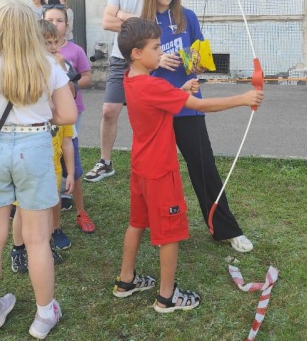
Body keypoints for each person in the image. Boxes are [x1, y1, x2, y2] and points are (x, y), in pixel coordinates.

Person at [113, 18, 263, 312]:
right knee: (169, 234)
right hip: (160, 172)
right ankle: (167, 297)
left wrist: (179, 89)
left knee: (137, 223)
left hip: (141, 169)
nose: (160, 52)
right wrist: (244, 98)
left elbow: (160, 103)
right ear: (136, 54)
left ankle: (126, 280)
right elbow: (201, 106)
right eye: (155, 48)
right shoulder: (153, 85)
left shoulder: (130, 80)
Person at [0, 0, 77, 338]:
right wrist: (41, 113)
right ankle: (43, 314)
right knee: (38, 239)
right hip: (34, 147)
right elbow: (68, 115)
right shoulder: (48, 66)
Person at [142, 0, 254, 253]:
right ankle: (146, 222)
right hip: (156, 108)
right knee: (154, 170)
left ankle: (225, 229)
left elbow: (201, 57)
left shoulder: (187, 17)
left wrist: (197, 63)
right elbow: (134, 68)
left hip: (188, 105)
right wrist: (157, 61)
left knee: (203, 166)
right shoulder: (140, 24)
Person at [84, 0, 152, 183]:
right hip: (118, 59)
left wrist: (121, 15)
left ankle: (145, 161)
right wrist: (134, 21)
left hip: (146, 62)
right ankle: (105, 162)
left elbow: (152, 27)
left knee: (143, 114)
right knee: (109, 110)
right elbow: (106, 21)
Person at [43, 0, 96, 235]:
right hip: (44, 117)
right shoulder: (36, 52)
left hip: (70, 113)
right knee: (47, 161)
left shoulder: (74, 50)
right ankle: (52, 218)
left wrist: (68, 78)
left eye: (60, 20)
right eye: (50, 20)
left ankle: (80, 210)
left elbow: (85, 77)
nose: (55, 24)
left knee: (71, 156)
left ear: (67, 24)